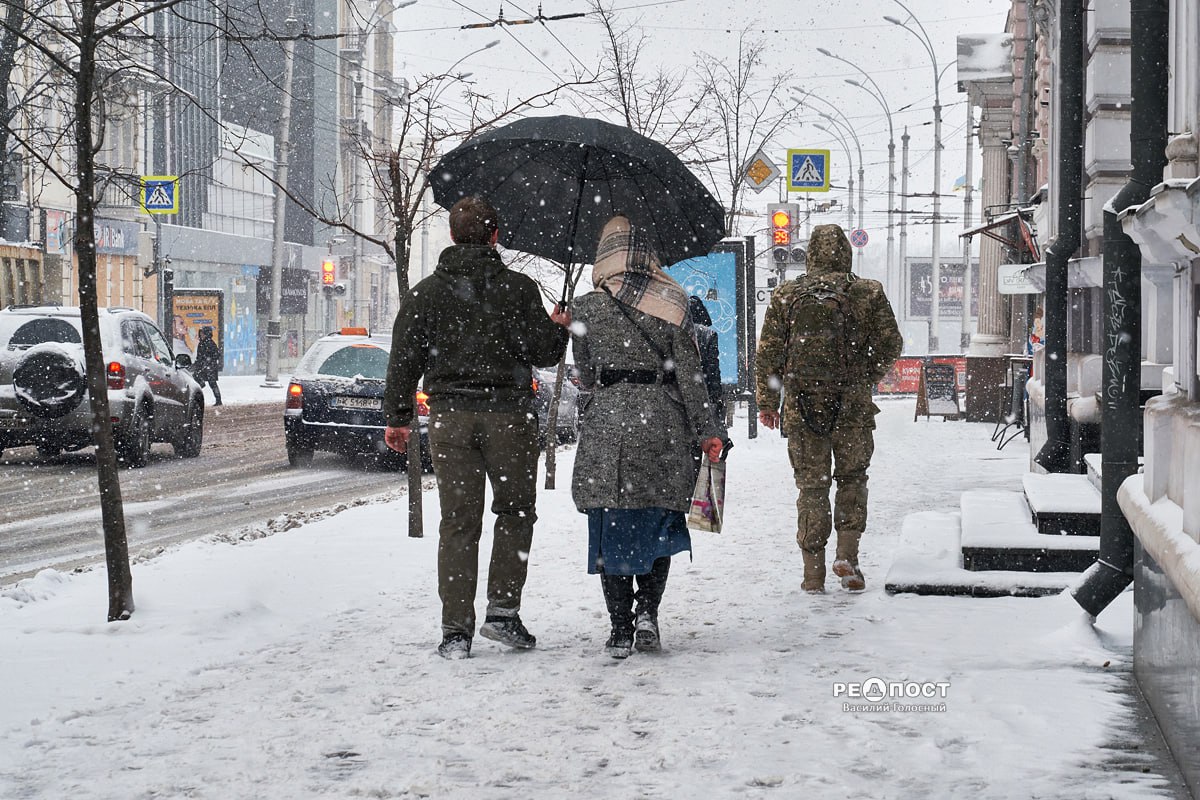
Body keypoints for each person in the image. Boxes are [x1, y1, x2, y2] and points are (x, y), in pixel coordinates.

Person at [383, 196, 570, 660]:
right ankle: (503, 613)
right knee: (514, 513)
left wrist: (397, 418)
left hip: (450, 421)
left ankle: (455, 632)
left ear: (451, 235)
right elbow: (543, 352)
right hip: (509, 418)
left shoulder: (425, 294)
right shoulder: (519, 289)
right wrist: (558, 326)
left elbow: (403, 359)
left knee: (458, 522)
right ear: (495, 235)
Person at [571, 216, 725, 659]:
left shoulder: (586, 306)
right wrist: (707, 430)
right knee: (658, 520)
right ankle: (647, 615)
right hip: (662, 425)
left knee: (611, 524)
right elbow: (692, 378)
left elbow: (584, 376)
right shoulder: (673, 301)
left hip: (607, 429)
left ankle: (619, 627)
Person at [755, 224, 902, 594]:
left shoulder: (787, 295)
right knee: (853, 479)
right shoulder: (867, 292)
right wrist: (865, 375)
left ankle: (812, 573)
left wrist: (768, 403)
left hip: (802, 410)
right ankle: (847, 555)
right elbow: (891, 343)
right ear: (845, 253)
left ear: (810, 255)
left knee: (811, 488)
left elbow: (768, 353)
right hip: (851, 408)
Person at [688, 295, 725, 425]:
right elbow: (713, 368)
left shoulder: (678, 330)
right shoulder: (708, 334)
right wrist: (716, 396)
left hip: (684, 391)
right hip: (705, 390)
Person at [192, 326, 223, 407]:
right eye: (200, 333)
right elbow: (199, 357)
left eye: (202, 333)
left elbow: (216, 354)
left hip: (209, 367)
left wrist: (208, 361)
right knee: (200, 379)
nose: (201, 335)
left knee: (211, 383)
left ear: (206, 334)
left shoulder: (209, 343)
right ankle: (196, 398)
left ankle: (218, 400)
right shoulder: (202, 343)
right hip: (205, 366)